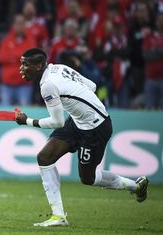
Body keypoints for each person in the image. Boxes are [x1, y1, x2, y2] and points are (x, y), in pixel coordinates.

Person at [15, 48, 149, 227]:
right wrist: (78, 106)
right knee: (44, 157)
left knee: (88, 178)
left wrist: (28, 121)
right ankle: (58, 216)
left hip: (95, 128)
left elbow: (57, 121)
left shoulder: (47, 85)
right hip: (78, 121)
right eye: (21, 63)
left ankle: (136, 186)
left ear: (39, 66)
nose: (21, 68)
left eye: (25, 64)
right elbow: (91, 86)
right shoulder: (59, 68)